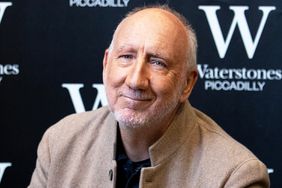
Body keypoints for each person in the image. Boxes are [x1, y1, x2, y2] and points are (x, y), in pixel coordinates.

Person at [28, 5, 270, 188]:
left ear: (187, 83)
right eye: (126, 57)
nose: (135, 80)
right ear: (105, 64)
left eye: (157, 62)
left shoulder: (236, 175)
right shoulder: (59, 142)